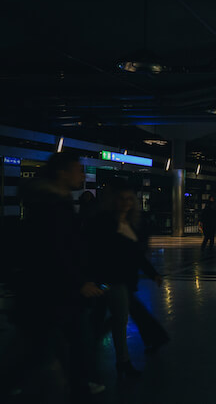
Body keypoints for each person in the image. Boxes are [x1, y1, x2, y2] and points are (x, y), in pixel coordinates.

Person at [15, 152, 104, 402]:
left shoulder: (52, 201)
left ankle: (76, 383)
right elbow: (57, 250)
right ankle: (79, 385)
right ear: (62, 173)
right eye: (77, 169)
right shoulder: (53, 206)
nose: (82, 174)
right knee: (74, 339)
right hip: (57, 289)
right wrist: (79, 281)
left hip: (51, 288)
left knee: (45, 341)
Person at [89, 179, 169, 379]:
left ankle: (110, 361)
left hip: (120, 281)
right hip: (110, 281)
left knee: (111, 319)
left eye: (129, 199)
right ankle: (120, 362)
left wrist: (153, 274)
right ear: (113, 201)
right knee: (116, 320)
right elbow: (96, 252)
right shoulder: (104, 223)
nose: (126, 203)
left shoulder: (131, 225)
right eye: (121, 199)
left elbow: (137, 256)